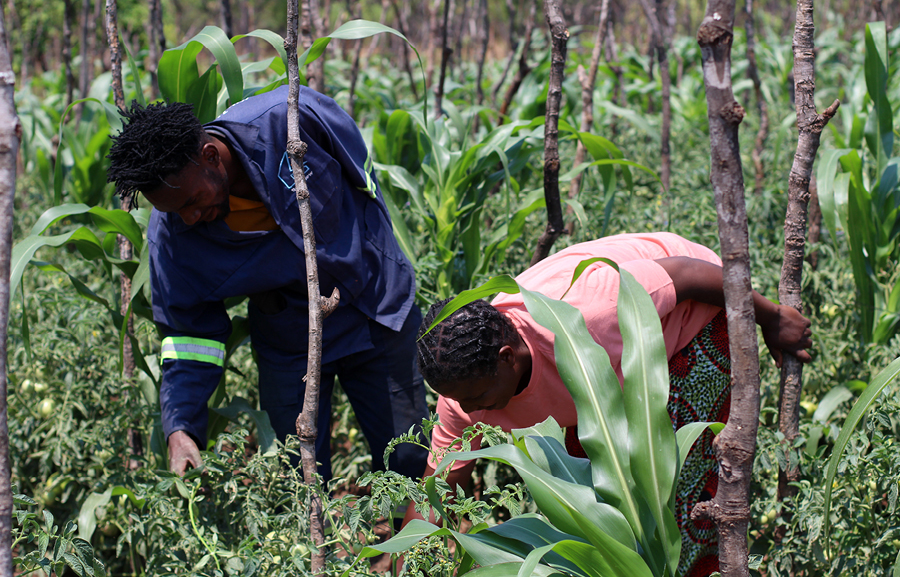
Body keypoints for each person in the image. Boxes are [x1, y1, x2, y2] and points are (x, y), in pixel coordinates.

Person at [408, 232, 813, 577]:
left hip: (688, 316)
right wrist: (407, 557)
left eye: (477, 398)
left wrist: (773, 319)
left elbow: (687, 275)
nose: (472, 412)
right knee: (600, 506)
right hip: (602, 376)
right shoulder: (463, 391)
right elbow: (438, 489)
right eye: (460, 400)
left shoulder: (589, 314)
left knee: (684, 489)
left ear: (507, 357)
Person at [106, 85, 428, 483]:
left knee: (411, 459)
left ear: (210, 157)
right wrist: (180, 426)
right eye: (175, 212)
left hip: (376, 310)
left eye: (192, 202)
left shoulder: (290, 120)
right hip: (288, 342)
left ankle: (414, 544)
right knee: (301, 479)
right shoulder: (173, 238)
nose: (188, 218)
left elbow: (361, 175)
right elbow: (189, 334)